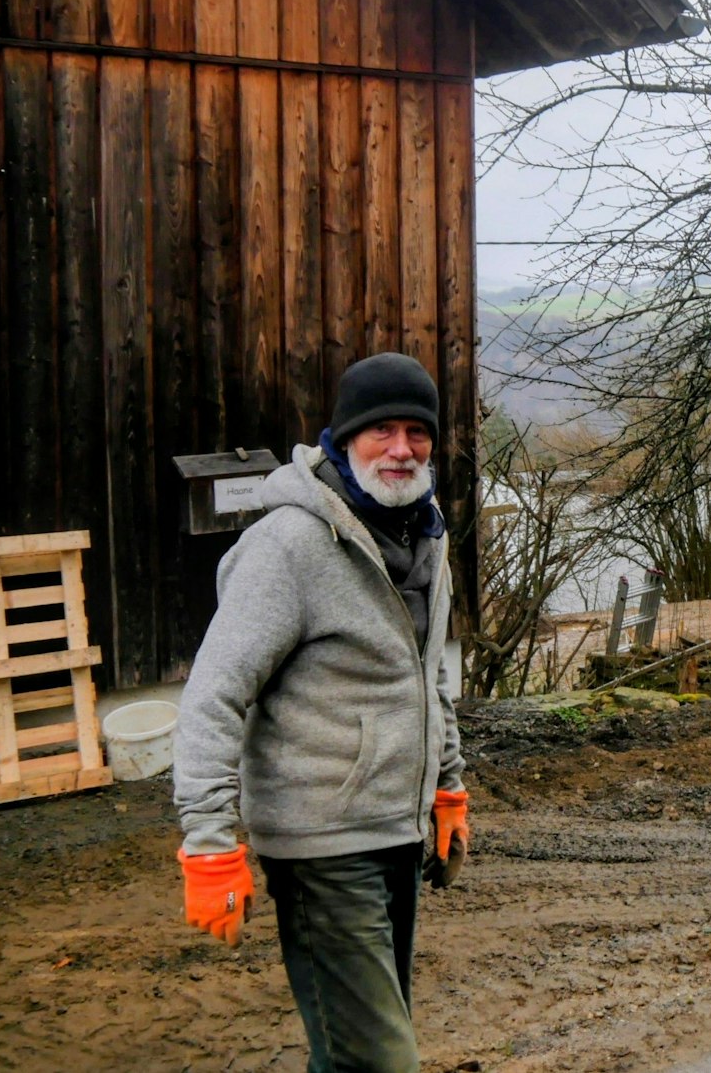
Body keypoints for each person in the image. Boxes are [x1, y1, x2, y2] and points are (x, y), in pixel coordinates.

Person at [173, 352, 470, 1072]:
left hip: (397, 832)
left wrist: (448, 785)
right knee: (379, 1061)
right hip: (321, 844)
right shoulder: (289, 546)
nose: (401, 449)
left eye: (417, 432)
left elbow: (426, 675)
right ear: (344, 437)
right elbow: (213, 693)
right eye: (381, 431)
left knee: (350, 1051)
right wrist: (209, 842)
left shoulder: (424, 534)